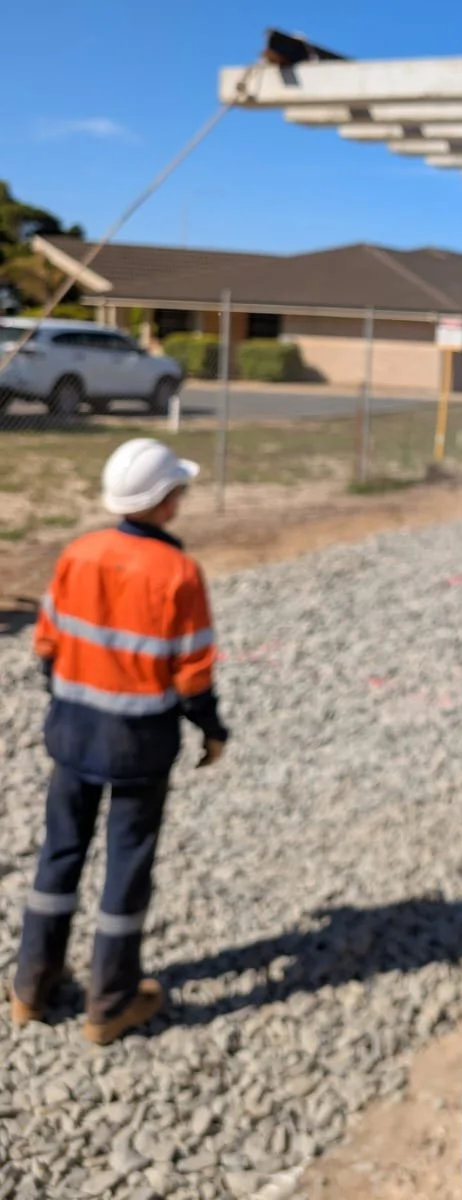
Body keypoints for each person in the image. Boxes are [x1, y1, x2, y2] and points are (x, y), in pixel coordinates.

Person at [9, 438, 229, 1046]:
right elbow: (193, 671)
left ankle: (31, 987)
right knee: (126, 866)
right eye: (178, 489)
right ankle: (109, 1003)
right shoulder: (177, 572)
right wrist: (212, 729)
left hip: (73, 735)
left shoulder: (79, 553)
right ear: (164, 501)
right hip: (138, 748)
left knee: (59, 853)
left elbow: (48, 642)